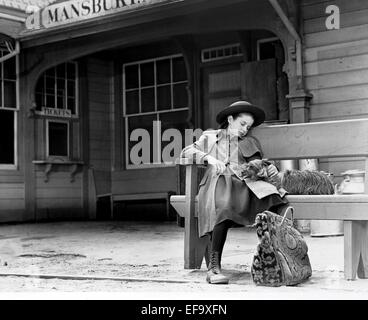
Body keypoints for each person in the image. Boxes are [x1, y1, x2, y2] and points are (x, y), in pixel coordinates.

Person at [180, 101, 288, 284]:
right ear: (230, 119)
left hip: (245, 185)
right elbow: (187, 151)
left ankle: (278, 260)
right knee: (223, 207)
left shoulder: (250, 142)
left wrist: (265, 168)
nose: (245, 129)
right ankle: (214, 267)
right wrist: (210, 159)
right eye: (242, 124)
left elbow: (258, 166)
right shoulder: (211, 137)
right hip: (218, 182)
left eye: (249, 126)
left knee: (276, 200)